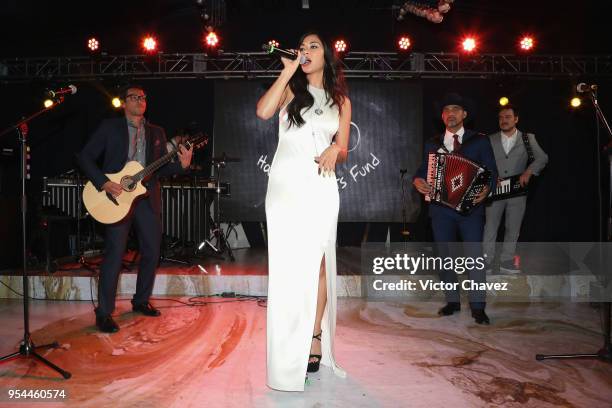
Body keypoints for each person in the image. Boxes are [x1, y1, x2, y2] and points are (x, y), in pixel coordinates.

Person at [256, 31, 351, 391]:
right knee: (287, 266)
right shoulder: (291, 89)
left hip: (321, 186)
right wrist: (287, 71)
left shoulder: (341, 100)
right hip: (284, 186)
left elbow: (342, 148)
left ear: (326, 55)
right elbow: (263, 111)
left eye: (314, 46)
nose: (306, 51)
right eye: (303, 46)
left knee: (321, 263)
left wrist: (335, 152)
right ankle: (284, 352)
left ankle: (313, 335)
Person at [77, 84, 193, 333]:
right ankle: (104, 312)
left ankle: (140, 300)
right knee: (115, 253)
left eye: (143, 97)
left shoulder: (157, 132)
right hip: (116, 196)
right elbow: (85, 157)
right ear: (124, 102)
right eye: (134, 97)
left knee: (152, 250)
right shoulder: (110, 127)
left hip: (147, 197)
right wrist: (104, 183)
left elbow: (159, 169)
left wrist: (182, 165)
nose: (140, 100)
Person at [413, 93, 497, 325]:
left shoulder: (479, 140)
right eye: (446, 110)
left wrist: (486, 189)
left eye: (456, 109)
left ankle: (478, 307)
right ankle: (452, 301)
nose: (451, 113)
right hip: (441, 210)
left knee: (474, 258)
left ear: (464, 115)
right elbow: (422, 170)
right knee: (445, 258)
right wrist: (418, 181)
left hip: (471, 210)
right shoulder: (433, 143)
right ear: (442, 116)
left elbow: (492, 172)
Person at [483, 105, 548, 273]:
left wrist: (529, 171)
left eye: (507, 117)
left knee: (513, 227)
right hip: (495, 189)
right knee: (490, 226)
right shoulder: (490, 139)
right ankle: (486, 261)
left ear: (516, 119)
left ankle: (507, 260)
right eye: (501, 117)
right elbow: (481, 161)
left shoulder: (527, 138)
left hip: (517, 191)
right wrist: (490, 174)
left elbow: (542, 158)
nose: (503, 120)